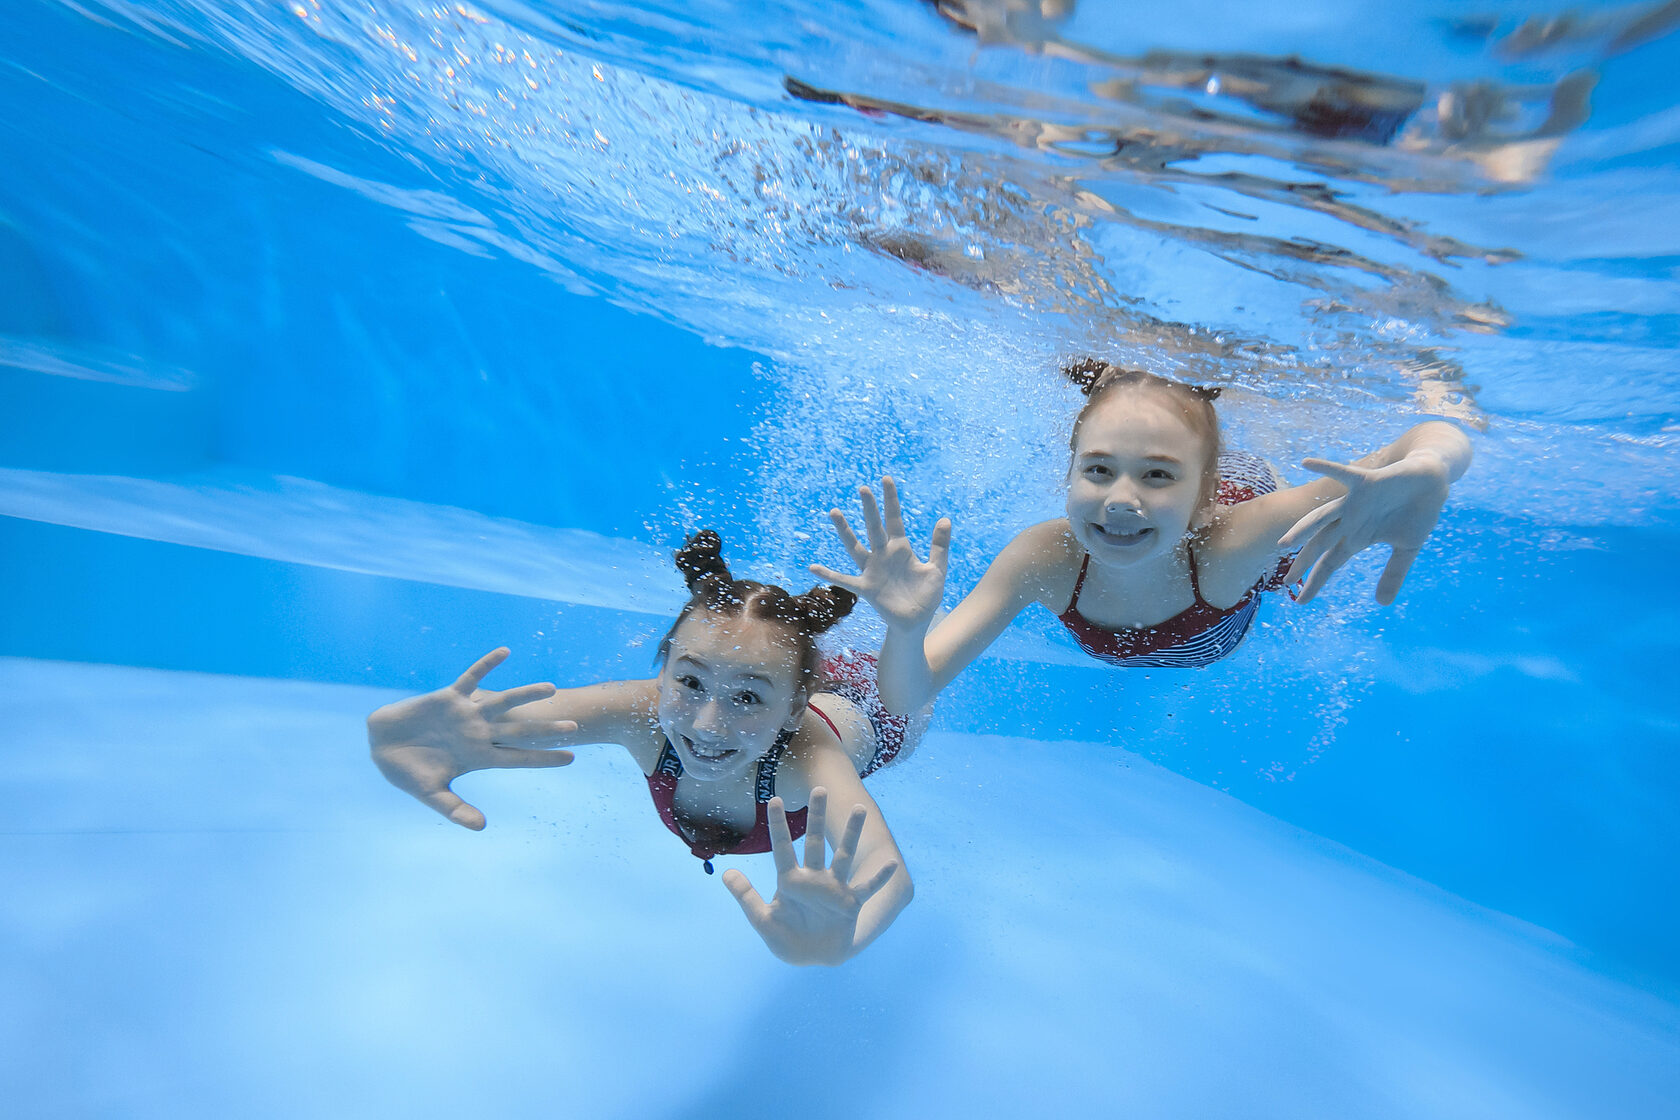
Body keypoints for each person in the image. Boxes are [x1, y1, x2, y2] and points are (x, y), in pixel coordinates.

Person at [368, 531, 924, 966]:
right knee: (752, 669)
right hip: (793, 679)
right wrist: (401, 739)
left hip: (874, 708)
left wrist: (838, 946)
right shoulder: (642, 714)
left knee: (919, 683)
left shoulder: (807, 759)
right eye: (689, 682)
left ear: (792, 709)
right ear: (663, 673)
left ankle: (924, 625)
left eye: (747, 698)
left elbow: (887, 872)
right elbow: (490, 723)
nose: (707, 725)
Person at [812, 360, 1473, 714]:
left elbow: (1418, 447)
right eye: (1098, 470)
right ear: (1069, 473)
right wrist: (905, 630)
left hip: (1238, 505)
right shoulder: (1042, 559)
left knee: (1269, 475)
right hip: (1200, 508)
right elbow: (908, 696)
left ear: (1198, 494)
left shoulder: (1237, 543)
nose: (1122, 499)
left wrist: (1436, 461)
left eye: (1156, 476)